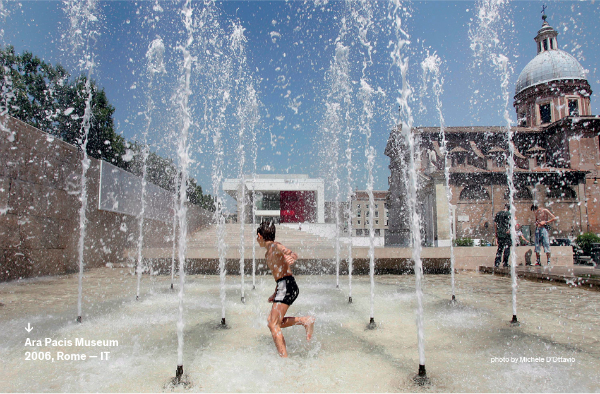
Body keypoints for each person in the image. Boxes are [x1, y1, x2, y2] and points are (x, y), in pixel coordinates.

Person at [256, 221, 315, 357]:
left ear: (259, 236)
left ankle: (284, 360)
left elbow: (290, 253)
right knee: (275, 321)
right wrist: (275, 292)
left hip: (287, 286)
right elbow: (280, 274)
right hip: (283, 286)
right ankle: (305, 320)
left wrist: (292, 257)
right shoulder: (268, 253)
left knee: (273, 324)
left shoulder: (275, 246)